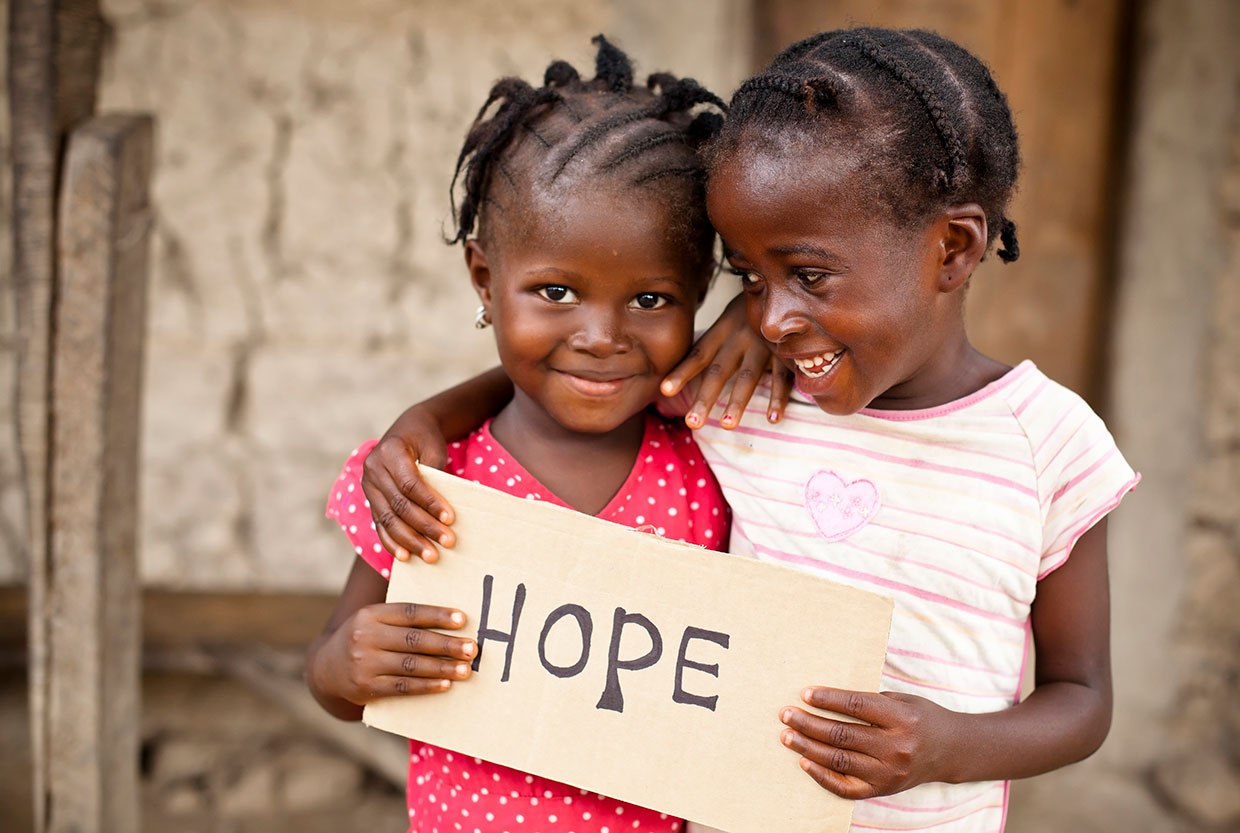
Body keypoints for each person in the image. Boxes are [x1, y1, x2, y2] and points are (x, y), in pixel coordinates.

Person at [361, 28, 1141, 833]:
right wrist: (428, 419)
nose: (771, 315)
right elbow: (582, 378)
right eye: (747, 279)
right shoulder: (748, 400)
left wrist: (949, 746)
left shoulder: (1049, 447)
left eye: (805, 274)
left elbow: (1082, 700)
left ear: (953, 247)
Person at [305, 37, 769, 833]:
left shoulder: (710, 466)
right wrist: (350, 666)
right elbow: (331, 682)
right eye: (556, 291)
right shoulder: (432, 479)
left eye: (652, 300)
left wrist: (761, 313)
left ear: (700, 294)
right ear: (485, 279)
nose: (600, 336)